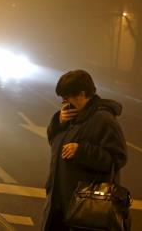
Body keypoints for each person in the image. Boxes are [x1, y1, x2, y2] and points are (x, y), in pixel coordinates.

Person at [41, 69, 128, 230]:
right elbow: (54, 142)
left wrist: (81, 151)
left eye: (67, 97)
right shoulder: (69, 115)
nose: (64, 103)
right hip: (59, 198)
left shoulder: (103, 119)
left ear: (82, 94)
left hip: (84, 204)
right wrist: (58, 122)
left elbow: (117, 158)